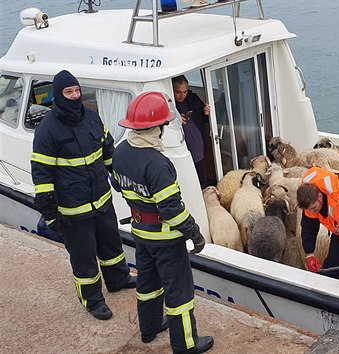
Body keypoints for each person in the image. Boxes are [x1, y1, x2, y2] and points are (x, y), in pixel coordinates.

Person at [112, 91, 213, 353]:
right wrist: (193, 231)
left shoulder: (120, 152)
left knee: (147, 283)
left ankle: (150, 327)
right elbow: (171, 209)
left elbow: (119, 186)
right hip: (166, 239)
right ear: (155, 128)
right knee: (179, 291)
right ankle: (186, 344)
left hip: (140, 233)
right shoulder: (158, 163)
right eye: (164, 125)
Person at [31, 70, 136, 321]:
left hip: (101, 200)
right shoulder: (47, 130)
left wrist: (119, 178)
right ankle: (92, 300)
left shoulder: (91, 116)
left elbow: (108, 150)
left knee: (112, 245)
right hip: (73, 210)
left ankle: (118, 279)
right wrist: (50, 212)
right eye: (69, 92)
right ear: (58, 95)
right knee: (84, 258)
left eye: (77, 90)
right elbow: (42, 174)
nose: (75, 95)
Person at [172, 75, 211, 189]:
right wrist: (176, 120)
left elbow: (204, 120)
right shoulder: (169, 106)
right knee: (188, 184)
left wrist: (206, 112)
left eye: (185, 92)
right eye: (178, 92)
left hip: (199, 148)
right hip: (183, 151)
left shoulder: (193, 98)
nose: (182, 95)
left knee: (202, 181)